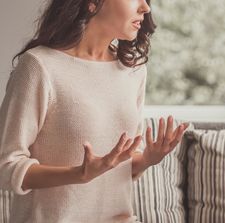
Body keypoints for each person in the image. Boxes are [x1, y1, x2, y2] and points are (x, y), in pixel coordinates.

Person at [0, 0, 188, 222]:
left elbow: (118, 162)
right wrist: (79, 174)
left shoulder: (133, 70)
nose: (145, 8)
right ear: (92, 3)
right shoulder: (39, 66)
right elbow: (7, 165)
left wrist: (147, 158)